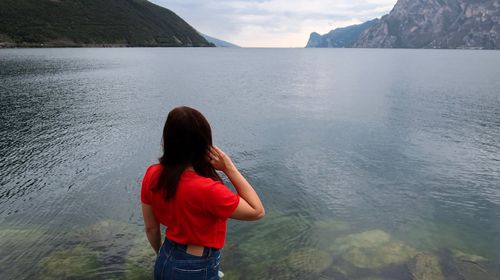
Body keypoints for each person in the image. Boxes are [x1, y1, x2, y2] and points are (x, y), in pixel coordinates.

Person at [141, 106, 265, 280]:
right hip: (196, 268)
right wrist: (230, 168)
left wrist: (162, 254)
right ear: (204, 145)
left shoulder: (152, 174)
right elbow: (257, 211)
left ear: (167, 140)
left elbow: (151, 228)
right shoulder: (208, 190)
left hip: (165, 260)